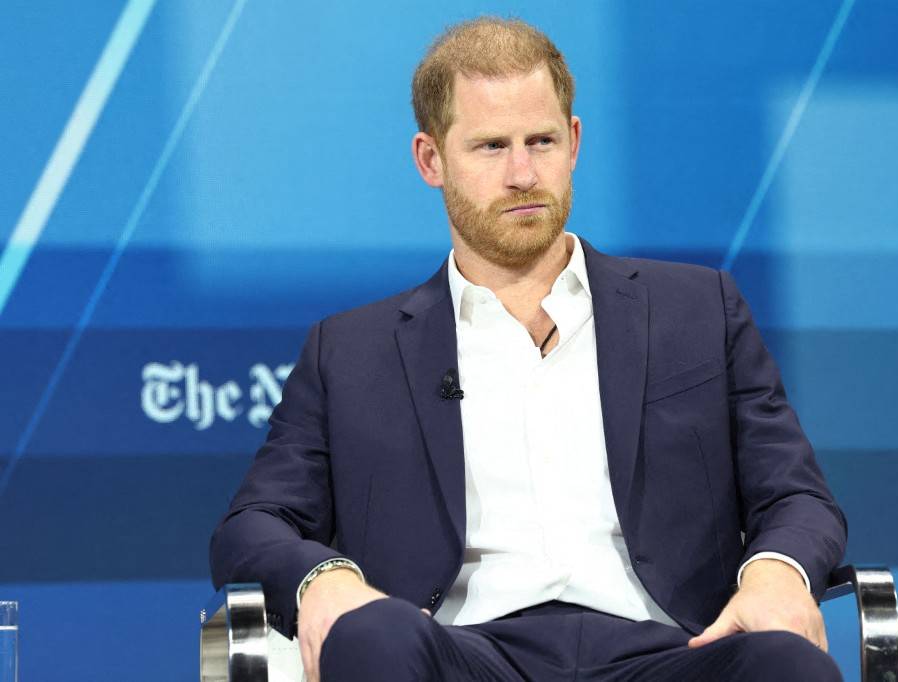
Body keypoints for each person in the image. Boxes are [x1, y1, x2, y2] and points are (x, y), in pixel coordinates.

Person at [210, 17, 846, 682]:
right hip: (458, 653)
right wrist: (325, 580)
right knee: (375, 634)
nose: (522, 174)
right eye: (491, 146)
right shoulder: (350, 352)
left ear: (574, 143)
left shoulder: (698, 309)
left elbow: (796, 496)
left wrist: (776, 573)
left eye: (541, 141)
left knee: (786, 663)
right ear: (431, 160)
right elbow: (253, 524)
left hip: (671, 652)